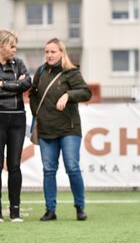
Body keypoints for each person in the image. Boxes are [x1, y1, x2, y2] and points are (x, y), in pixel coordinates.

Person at [29, 38, 91, 221]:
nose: (49, 55)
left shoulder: (71, 72)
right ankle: (50, 209)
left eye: (53, 51)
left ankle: (80, 207)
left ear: (61, 53)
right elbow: (33, 93)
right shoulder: (40, 71)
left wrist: (68, 95)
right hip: (46, 130)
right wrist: (36, 113)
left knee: (72, 167)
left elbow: (86, 92)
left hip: (69, 129)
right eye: (46, 51)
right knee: (48, 170)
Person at [0, 29, 31, 222]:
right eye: (11, 46)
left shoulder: (19, 63)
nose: (15, 49)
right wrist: (14, 84)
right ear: (1, 46)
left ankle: (15, 211)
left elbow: (27, 83)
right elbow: (19, 85)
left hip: (18, 119)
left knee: (14, 165)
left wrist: (3, 85)